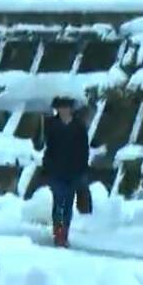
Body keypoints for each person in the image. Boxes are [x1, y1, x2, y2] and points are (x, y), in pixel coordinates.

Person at [40, 96, 90, 248]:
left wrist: (82, 170)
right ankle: (58, 235)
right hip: (56, 171)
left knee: (67, 204)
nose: (63, 110)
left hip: (73, 171)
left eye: (66, 107)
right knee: (58, 203)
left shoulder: (79, 127)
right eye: (60, 108)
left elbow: (84, 150)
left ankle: (64, 234)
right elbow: (46, 148)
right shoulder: (51, 125)